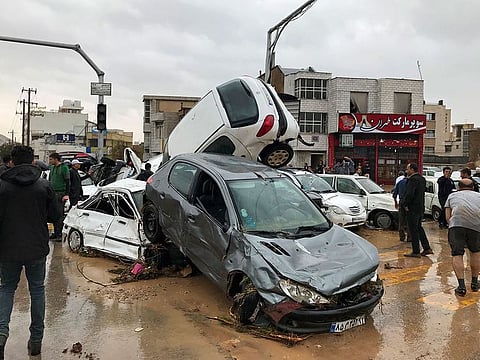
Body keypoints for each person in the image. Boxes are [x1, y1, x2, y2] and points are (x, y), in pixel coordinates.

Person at [0, 145, 62, 357]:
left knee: (7, 288)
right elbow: (55, 216)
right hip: (36, 247)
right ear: (33, 162)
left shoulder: (2, 187)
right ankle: (36, 340)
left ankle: (1, 334)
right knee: (37, 290)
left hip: (7, 248)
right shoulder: (43, 186)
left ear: (12, 162)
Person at [445, 178, 480, 297]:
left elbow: (448, 217)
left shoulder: (452, 196)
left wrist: (453, 225)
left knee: (457, 254)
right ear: (473, 187)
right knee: (475, 252)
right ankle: (475, 283)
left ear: (458, 187)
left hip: (456, 226)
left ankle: (461, 286)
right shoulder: (479, 196)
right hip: (476, 227)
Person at [403, 163, 433, 258]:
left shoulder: (412, 180)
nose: (406, 171)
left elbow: (409, 194)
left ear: (412, 169)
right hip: (420, 207)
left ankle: (416, 251)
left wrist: (405, 204)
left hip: (412, 208)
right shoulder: (422, 179)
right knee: (419, 227)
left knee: (413, 229)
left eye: (407, 169)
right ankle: (426, 247)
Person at [48, 152, 70, 240]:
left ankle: (59, 234)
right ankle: (55, 232)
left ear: (56, 159)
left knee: (59, 214)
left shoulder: (64, 168)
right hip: (52, 193)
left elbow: (68, 182)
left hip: (60, 193)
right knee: (53, 213)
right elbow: (50, 180)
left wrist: (67, 194)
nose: (49, 161)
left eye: (51, 159)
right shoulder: (52, 168)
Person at [392, 175, 410, 242]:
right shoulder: (410, 183)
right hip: (408, 203)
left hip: (401, 202)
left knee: (401, 220)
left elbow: (394, 195)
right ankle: (409, 237)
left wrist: (396, 203)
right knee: (409, 220)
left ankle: (402, 237)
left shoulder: (400, 182)